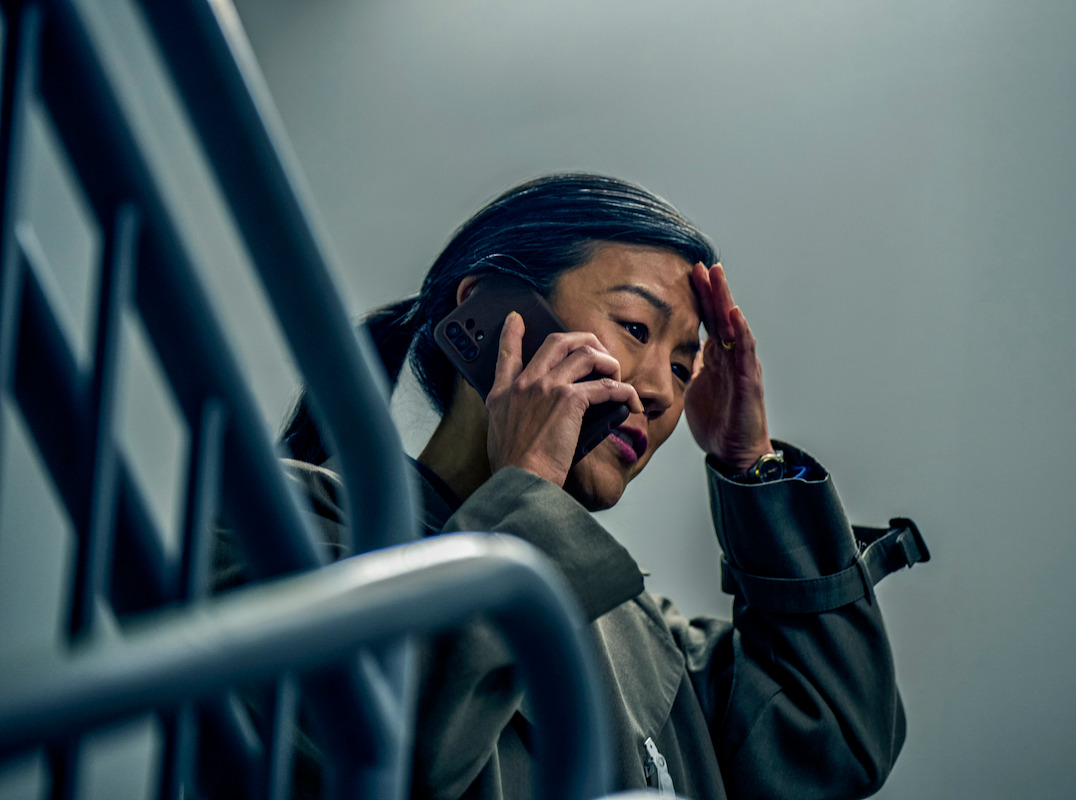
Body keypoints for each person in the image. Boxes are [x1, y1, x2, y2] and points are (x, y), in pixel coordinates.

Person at [277, 173, 922, 799]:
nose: (661, 392)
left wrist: (750, 463)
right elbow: (354, 762)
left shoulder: (634, 629)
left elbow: (834, 745)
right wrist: (525, 484)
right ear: (492, 311)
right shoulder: (295, 523)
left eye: (681, 364)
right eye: (635, 328)